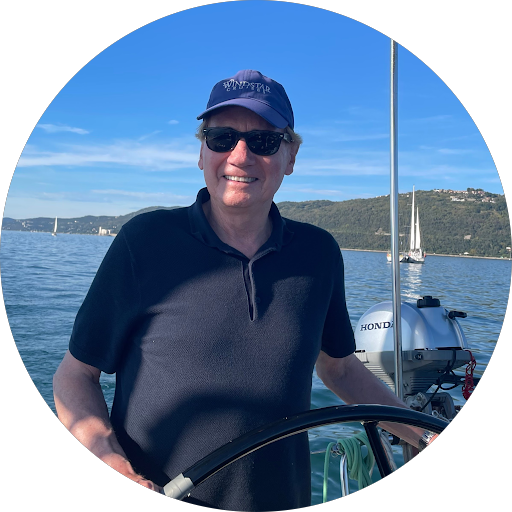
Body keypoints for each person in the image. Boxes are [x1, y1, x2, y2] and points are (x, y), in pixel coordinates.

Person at [53, 69, 436, 511]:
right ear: (202, 152)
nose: (240, 156)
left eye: (263, 141)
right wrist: (113, 462)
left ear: (290, 156)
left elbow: (341, 370)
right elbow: (75, 375)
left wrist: (423, 434)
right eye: (221, 138)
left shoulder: (318, 253)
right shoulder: (145, 242)